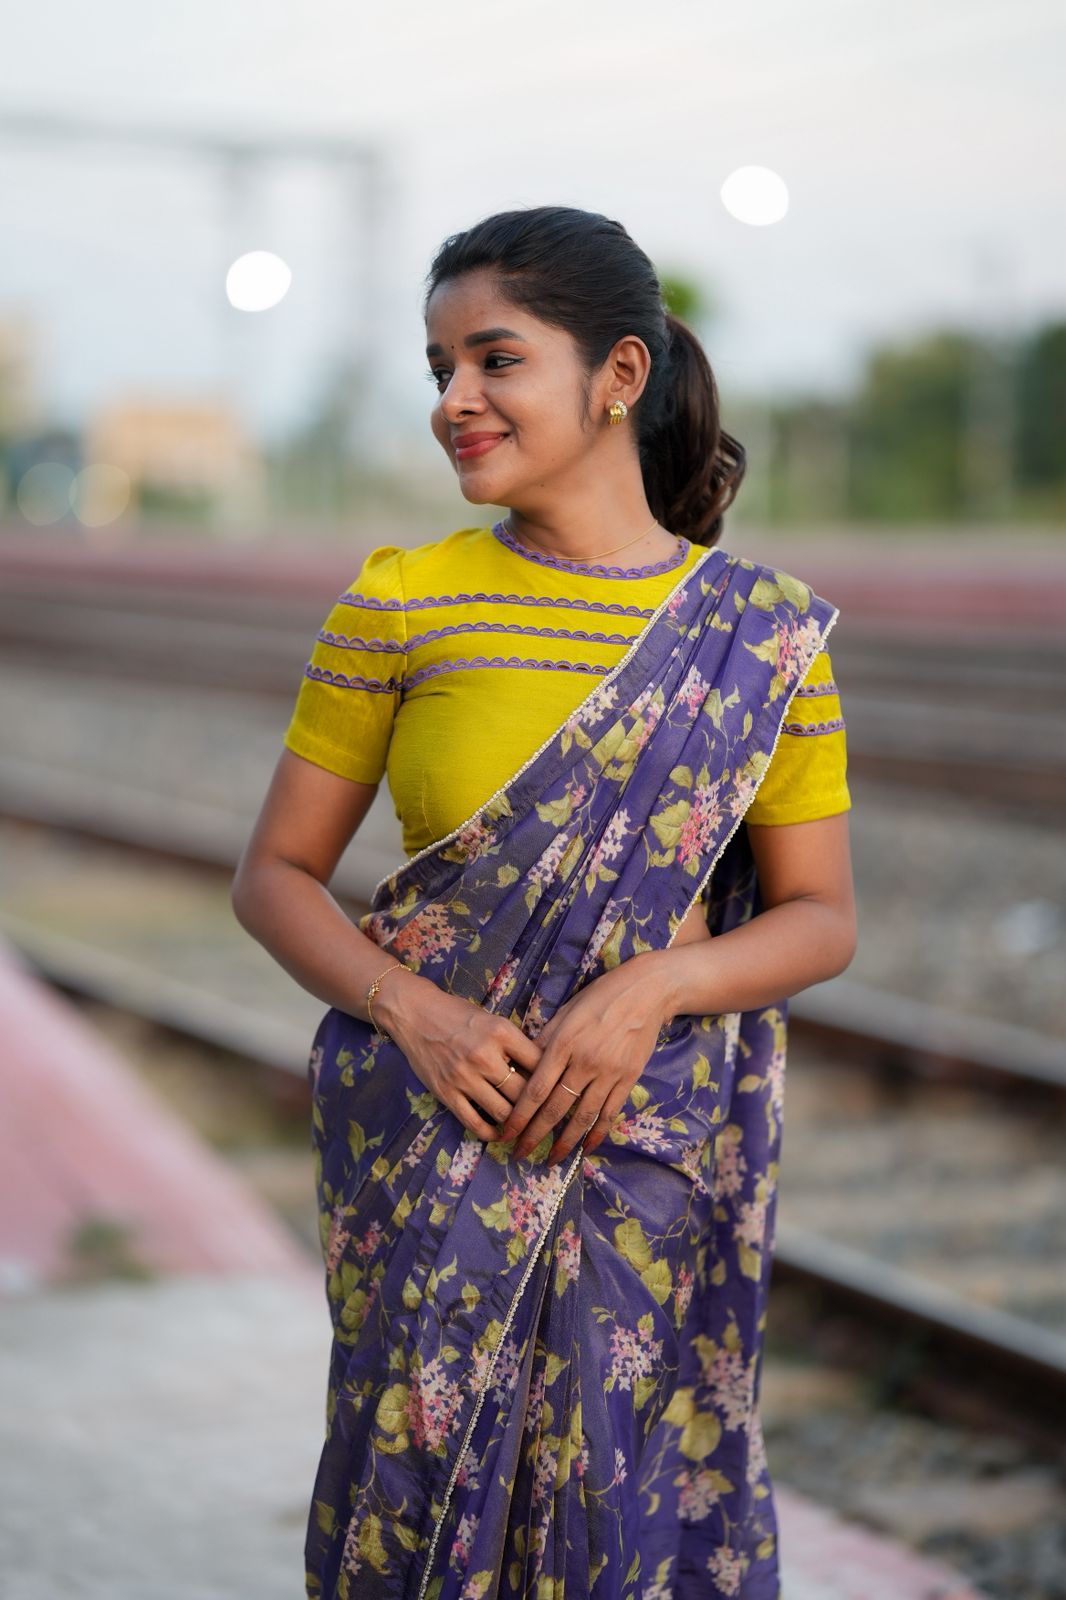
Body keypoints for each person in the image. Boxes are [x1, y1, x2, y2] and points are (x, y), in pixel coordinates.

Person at [231, 204, 857, 1600]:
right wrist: (418, 1015)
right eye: (439, 368)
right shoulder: (403, 602)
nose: (454, 402)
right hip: (435, 1130)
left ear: (617, 375)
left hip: (646, 1146)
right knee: (416, 1485)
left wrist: (651, 990)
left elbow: (817, 915)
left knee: (633, 1508)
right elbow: (273, 879)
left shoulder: (759, 633)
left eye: (494, 360)